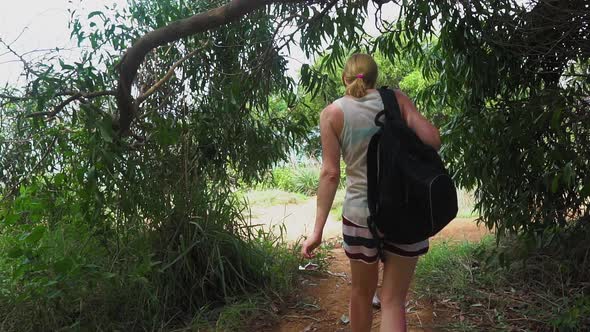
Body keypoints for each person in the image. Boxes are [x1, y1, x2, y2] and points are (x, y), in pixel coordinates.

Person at [301, 53, 441, 332]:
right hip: (405, 210)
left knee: (361, 294)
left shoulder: (332, 113)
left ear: (345, 77)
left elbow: (330, 174)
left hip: (360, 215)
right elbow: (433, 141)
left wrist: (316, 232)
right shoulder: (396, 100)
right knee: (392, 300)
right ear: (375, 78)